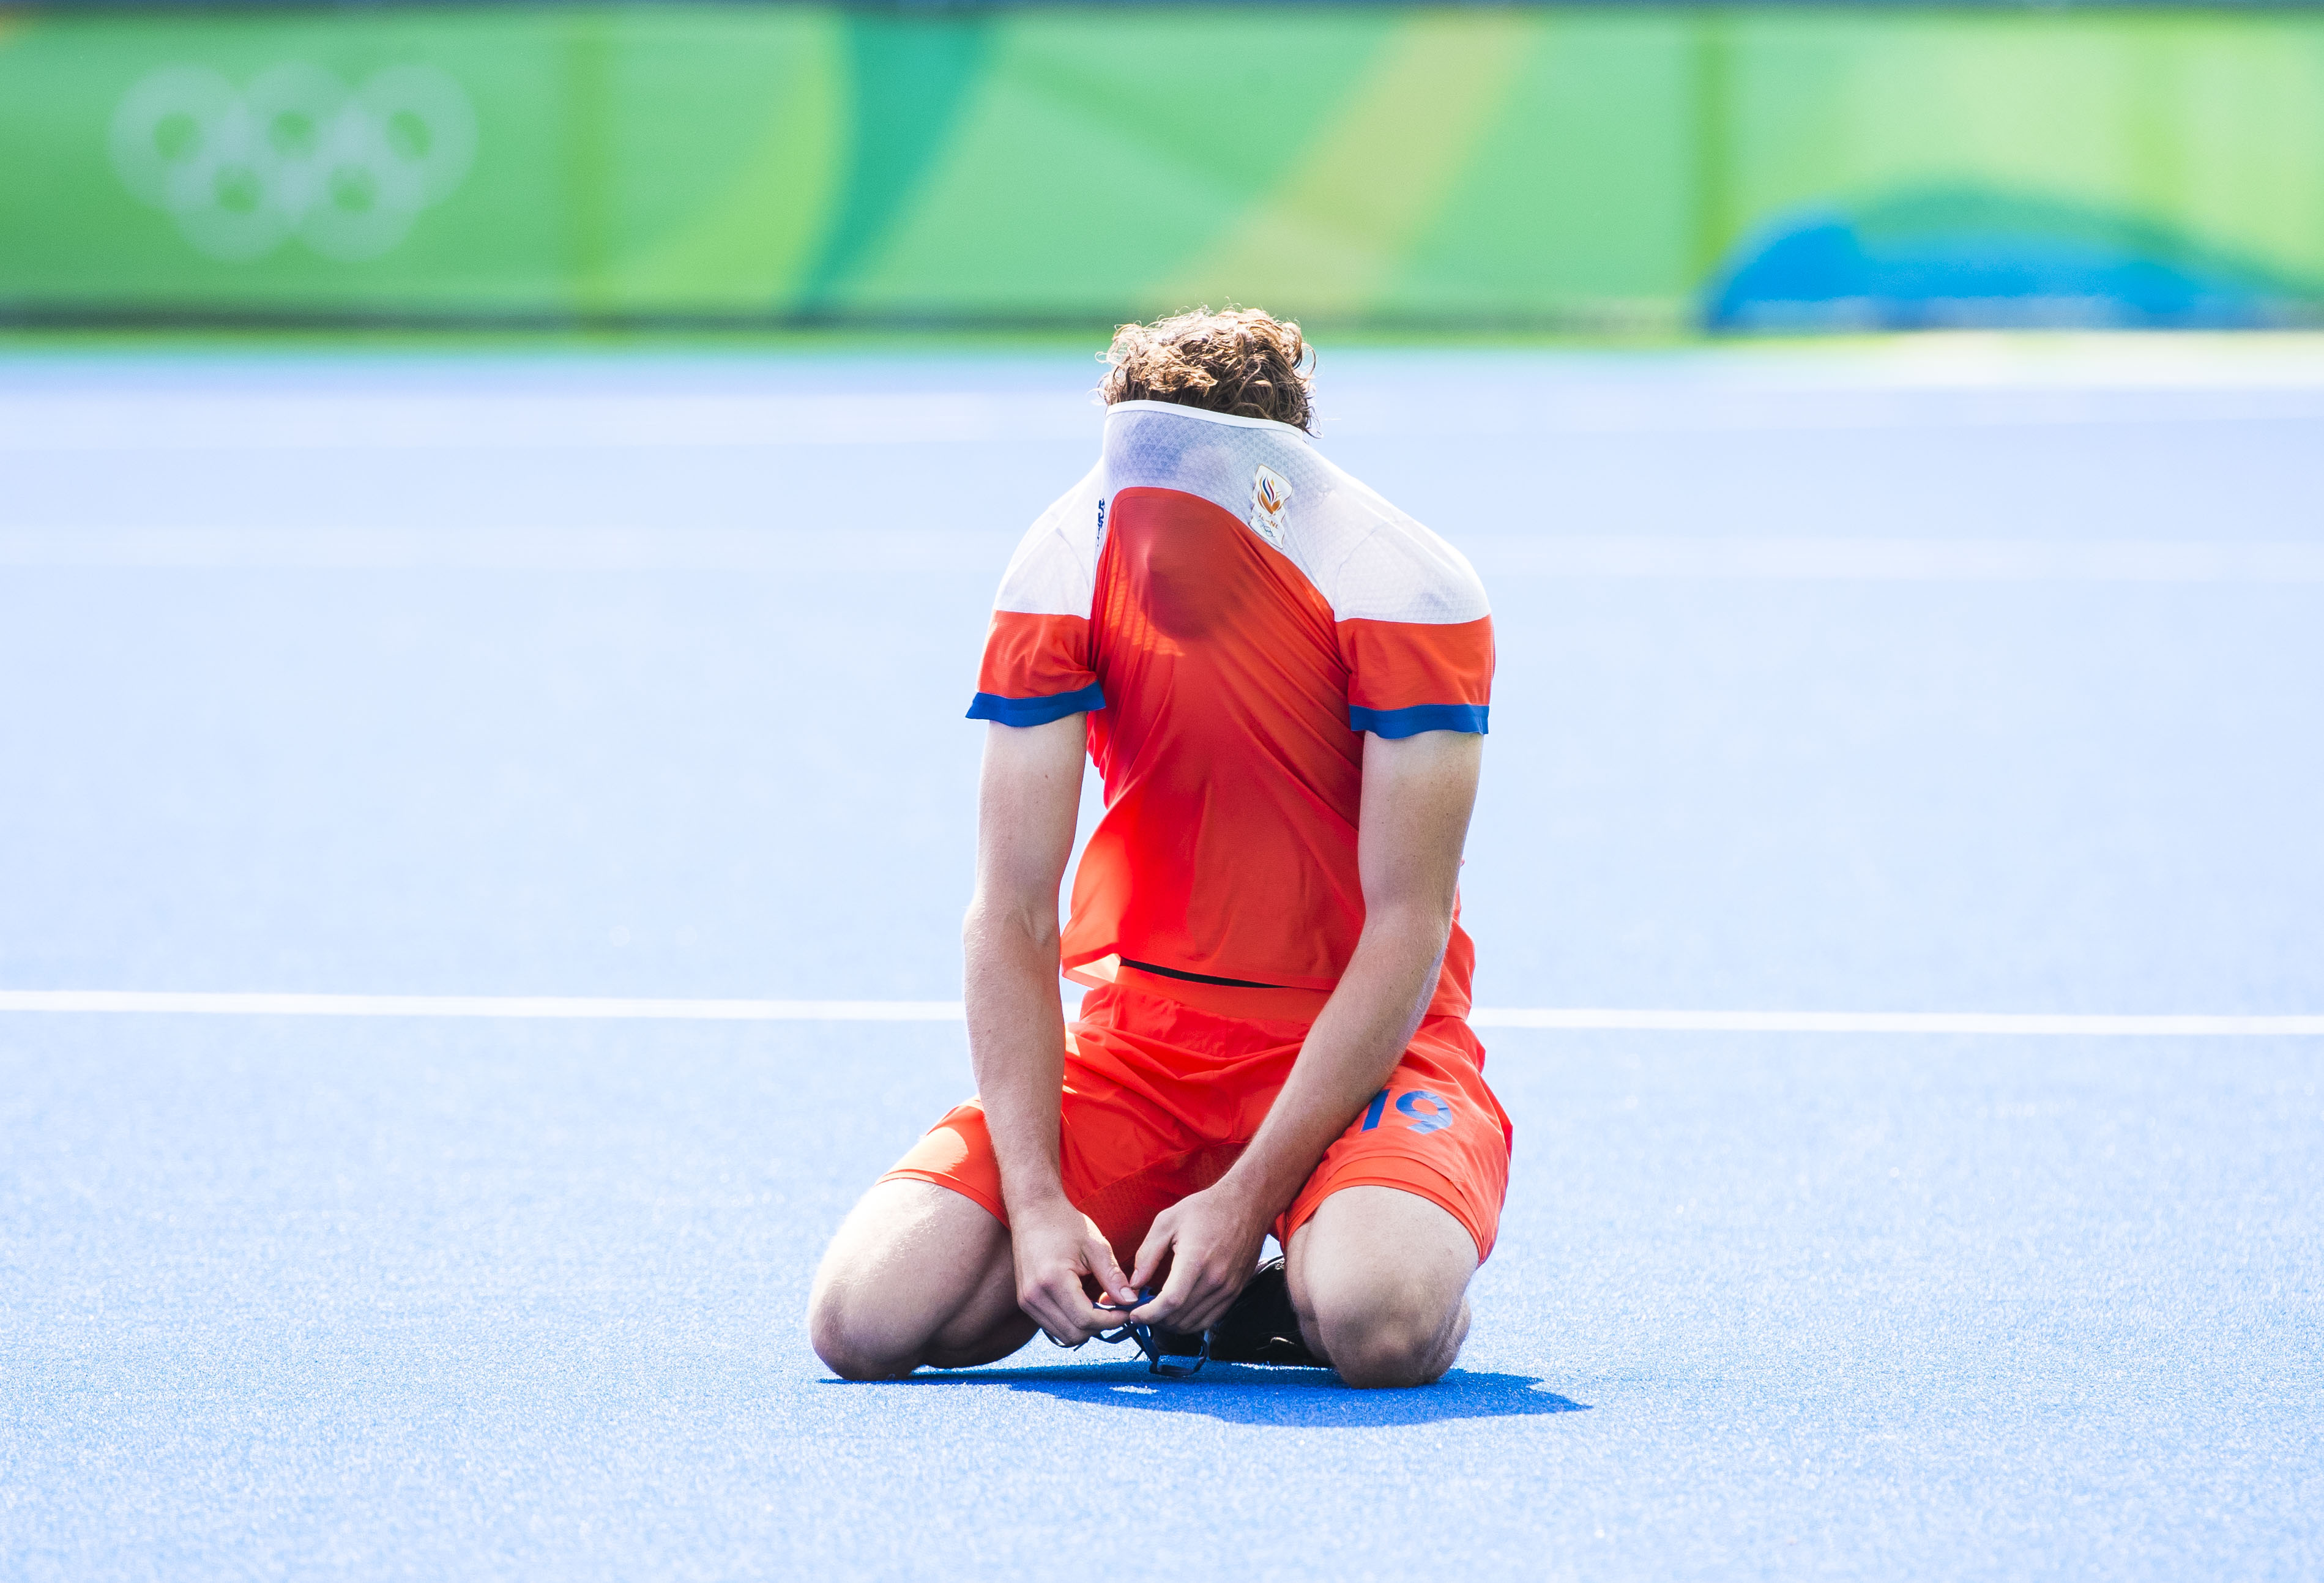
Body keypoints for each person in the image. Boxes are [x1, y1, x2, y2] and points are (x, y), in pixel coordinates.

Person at [808, 308, 1509, 1388]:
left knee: (1380, 1329)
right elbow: (1011, 911)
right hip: (1146, 1037)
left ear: (1273, 487)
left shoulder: (1406, 589)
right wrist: (1039, 1206)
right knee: (870, 1322)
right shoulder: (1058, 564)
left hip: (1368, 1037)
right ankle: (1199, 1271)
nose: (1152, 535)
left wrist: (1242, 1198)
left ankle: (1299, 1270)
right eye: (1140, 490)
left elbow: (1406, 927)